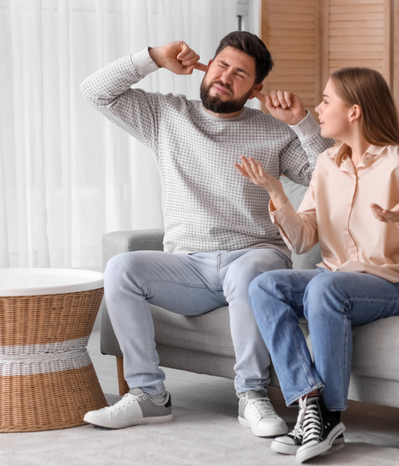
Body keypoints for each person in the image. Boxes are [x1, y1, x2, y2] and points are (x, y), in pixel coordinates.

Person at [80, 31, 333, 435]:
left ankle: (251, 395)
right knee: (121, 267)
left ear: (255, 89)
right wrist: (152, 57)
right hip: (187, 268)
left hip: (253, 258)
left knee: (247, 273)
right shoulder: (166, 115)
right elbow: (94, 91)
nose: (226, 76)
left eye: (240, 73)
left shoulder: (273, 131)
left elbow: (330, 176)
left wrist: (301, 123)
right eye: (221, 65)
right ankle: (149, 395)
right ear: (206, 66)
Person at [236, 67, 399, 462]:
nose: (318, 109)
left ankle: (330, 415)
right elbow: (304, 237)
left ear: (354, 111)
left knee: (325, 286)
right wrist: (276, 194)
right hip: (339, 281)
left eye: (326, 101)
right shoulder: (325, 165)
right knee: (264, 286)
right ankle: (309, 406)